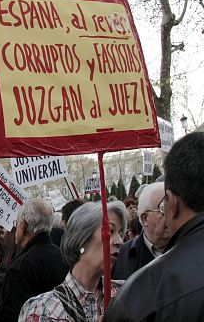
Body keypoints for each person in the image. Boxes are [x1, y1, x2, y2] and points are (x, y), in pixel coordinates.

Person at [104, 132, 204, 321]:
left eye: (163, 204)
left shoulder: (139, 295)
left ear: (172, 204)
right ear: (144, 218)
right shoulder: (131, 272)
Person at [19, 201, 126, 322]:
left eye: (120, 233)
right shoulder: (43, 309)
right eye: (110, 231)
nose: (120, 241)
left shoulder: (127, 293)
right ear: (82, 239)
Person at [0, 198, 69, 322]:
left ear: (23, 226)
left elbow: (11, 315)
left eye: (17, 223)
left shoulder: (20, 267)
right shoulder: (64, 257)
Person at [112, 182, 169, 280]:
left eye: (175, 208)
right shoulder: (121, 257)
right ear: (145, 218)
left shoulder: (191, 246)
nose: (172, 214)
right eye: (163, 209)